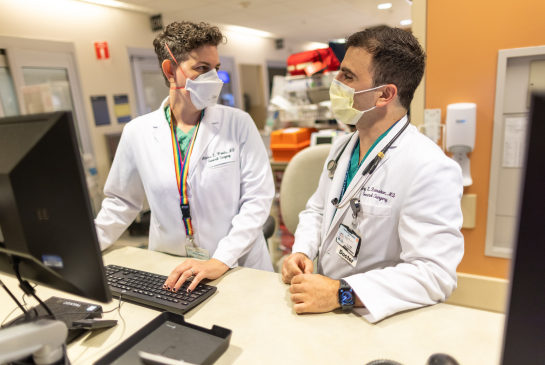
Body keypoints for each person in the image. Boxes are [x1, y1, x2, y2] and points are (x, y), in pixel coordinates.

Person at [281, 27, 464, 323]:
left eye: (348, 76)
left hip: (373, 314)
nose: (335, 82)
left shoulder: (430, 167)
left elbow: (434, 275)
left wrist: (341, 292)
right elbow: (318, 209)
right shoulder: (343, 147)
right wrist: (302, 250)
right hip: (321, 303)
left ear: (384, 94)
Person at [95, 21, 275, 294]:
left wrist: (220, 259)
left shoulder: (238, 123)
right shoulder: (138, 132)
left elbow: (257, 199)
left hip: (239, 265)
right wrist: (84, 250)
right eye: (202, 69)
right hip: (173, 270)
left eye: (216, 69)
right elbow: (121, 202)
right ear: (170, 71)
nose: (213, 79)